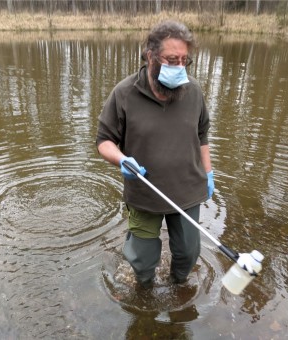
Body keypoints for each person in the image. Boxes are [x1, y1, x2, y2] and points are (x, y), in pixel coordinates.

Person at [96, 20, 215, 288]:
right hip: (145, 193)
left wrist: (208, 173)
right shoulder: (125, 93)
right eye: (171, 59)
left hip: (187, 191)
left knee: (187, 253)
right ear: (150, 56)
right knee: (142, 259)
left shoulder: (193, 91)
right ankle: (145, 290)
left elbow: (202, 134)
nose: (179, 67)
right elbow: (104, 140)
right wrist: (121, 159)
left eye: (185, 60)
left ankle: (179, 285)